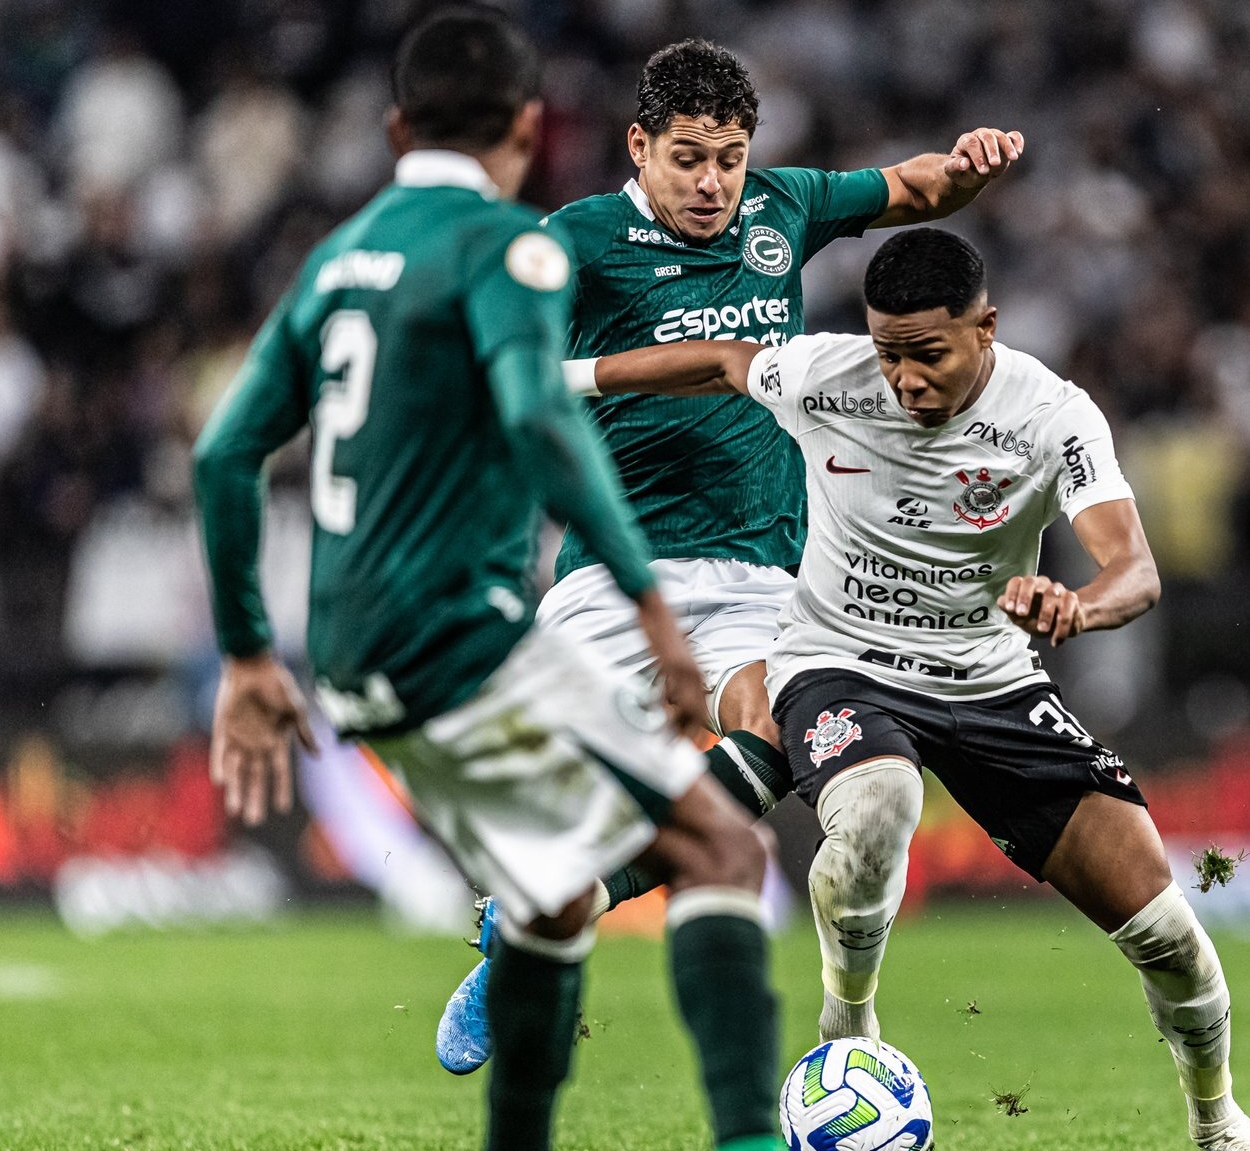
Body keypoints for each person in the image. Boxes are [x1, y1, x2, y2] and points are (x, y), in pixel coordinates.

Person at [191, 9, 782, 1150]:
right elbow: (540, 419)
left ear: (394, 126)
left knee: (554, 897)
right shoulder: (508, 247)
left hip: (350, 657)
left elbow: (224, 453)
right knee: (721, 848)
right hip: (461, 640)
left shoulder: (338, 260)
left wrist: (246, 652)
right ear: (528, 126)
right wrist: (651, 605)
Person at [571, 227, 1250, 1151]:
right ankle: (849, 1022)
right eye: (888, 352)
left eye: (928, 355)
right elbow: (717, 360)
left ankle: (1217, 1120)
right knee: (879, 802)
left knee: (1169, 936)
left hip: (992, 683)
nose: (904, 378)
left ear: (986, 328)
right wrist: (571, 380)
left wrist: (1076, 603)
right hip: (839, 660)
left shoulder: (1051, 414)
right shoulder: (830, 376)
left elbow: (1136, 570)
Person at [437, 36, 1026, 1074]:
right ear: (639, 147)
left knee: (774, 720)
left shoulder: (780, 208)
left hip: (763, 573)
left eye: (730, 156)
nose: (713, 182)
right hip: (617, 576)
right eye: (688, 158)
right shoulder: (579, 236)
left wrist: (966, 168)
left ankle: (576, 907)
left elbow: (914, 190)